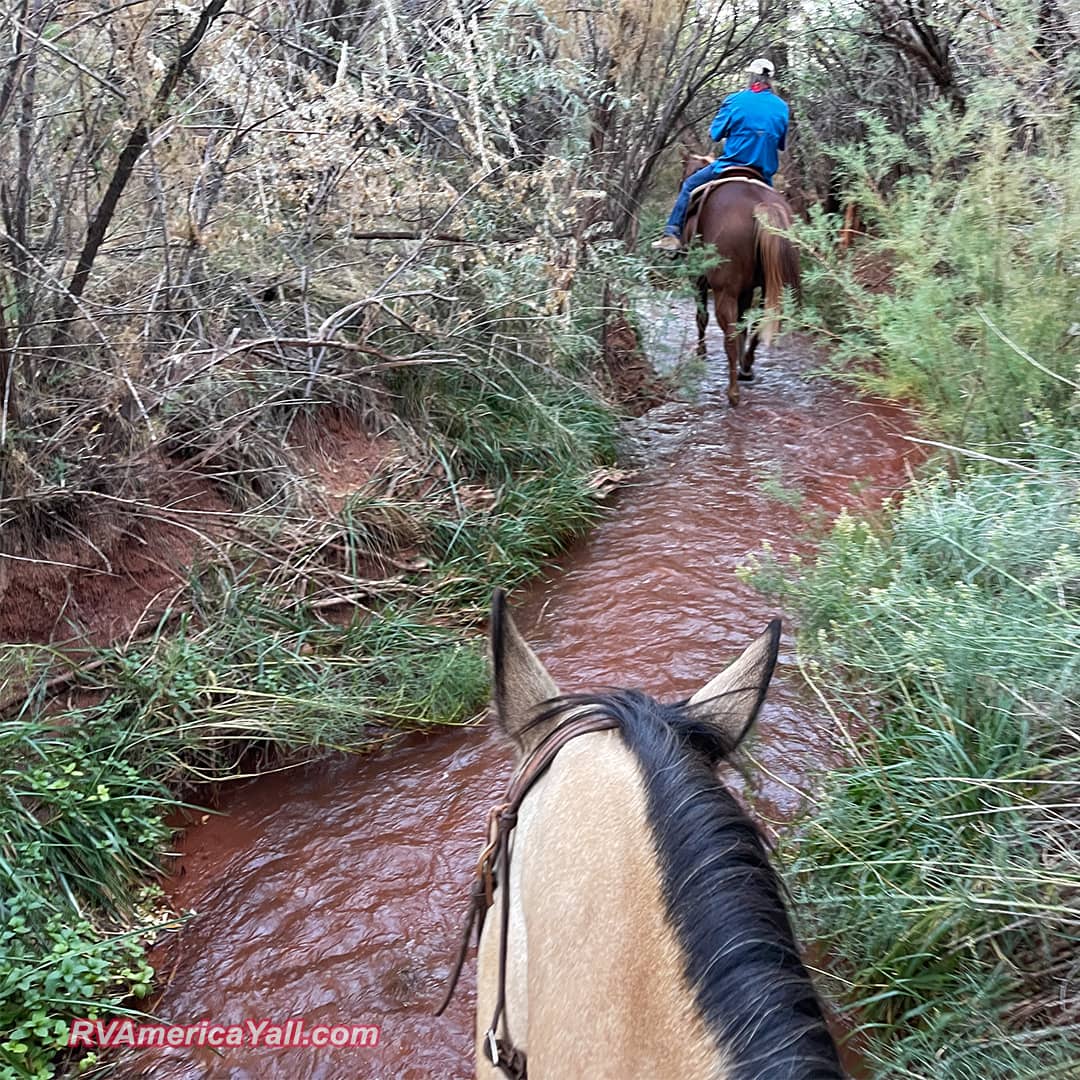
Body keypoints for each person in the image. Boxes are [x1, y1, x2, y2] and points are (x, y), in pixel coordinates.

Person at [652, 58, 790, 253]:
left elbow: (715, 134)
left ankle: (672, 234)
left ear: (751, 77)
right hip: (763, 174)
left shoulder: (735, 100)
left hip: (729, 166)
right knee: (779, 211)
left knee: (689, 185)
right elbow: (780, 143)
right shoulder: (782, 107)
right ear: (771, 80)